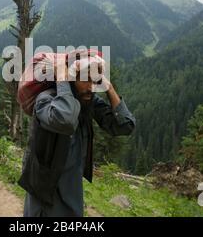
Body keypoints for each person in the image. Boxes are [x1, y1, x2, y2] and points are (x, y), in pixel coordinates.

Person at [19, 58, 136, 216]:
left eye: (95, 81)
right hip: (45, 190)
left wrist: (109, 87)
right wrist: (62, 78)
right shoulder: (46, 100)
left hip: (71, 191)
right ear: (70, 79)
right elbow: (65, 120)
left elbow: (125, 126)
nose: (91, 87)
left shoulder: (87, 100)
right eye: (86, 80)